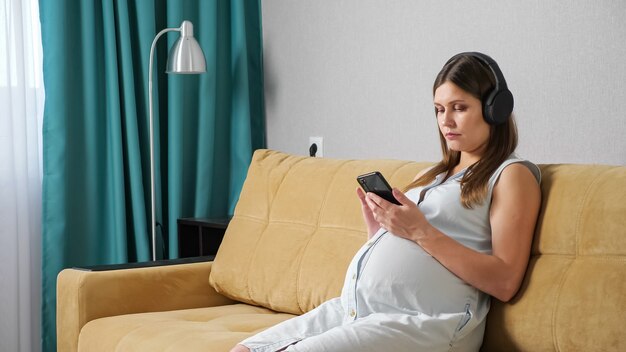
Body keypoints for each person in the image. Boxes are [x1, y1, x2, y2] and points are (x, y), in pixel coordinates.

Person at [230, 52, 541, 352]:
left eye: (459, 107)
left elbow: (505, 281)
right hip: (357, 309)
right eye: (438, 109)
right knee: (243, 349)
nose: (445, 121)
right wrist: (380, 232)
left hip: (425, 323)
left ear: (495, 110)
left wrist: (419, 231)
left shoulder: (511, 175)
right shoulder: (432, 176)